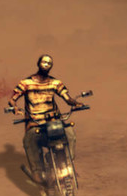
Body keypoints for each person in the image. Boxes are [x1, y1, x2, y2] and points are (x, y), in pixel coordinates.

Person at [5, 54, 81, 184]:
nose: (46, 65)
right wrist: (15, 108)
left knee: (69, 134)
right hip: (35, 123)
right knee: (30, 140)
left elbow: (67, 98)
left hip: (54, 120)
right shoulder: (26, 83)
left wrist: (76, 103)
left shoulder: (55, 83)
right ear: (38, 63)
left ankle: (68, 163)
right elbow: (12, 99)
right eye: (44, 62)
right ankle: (37, 172)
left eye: (49, 63)